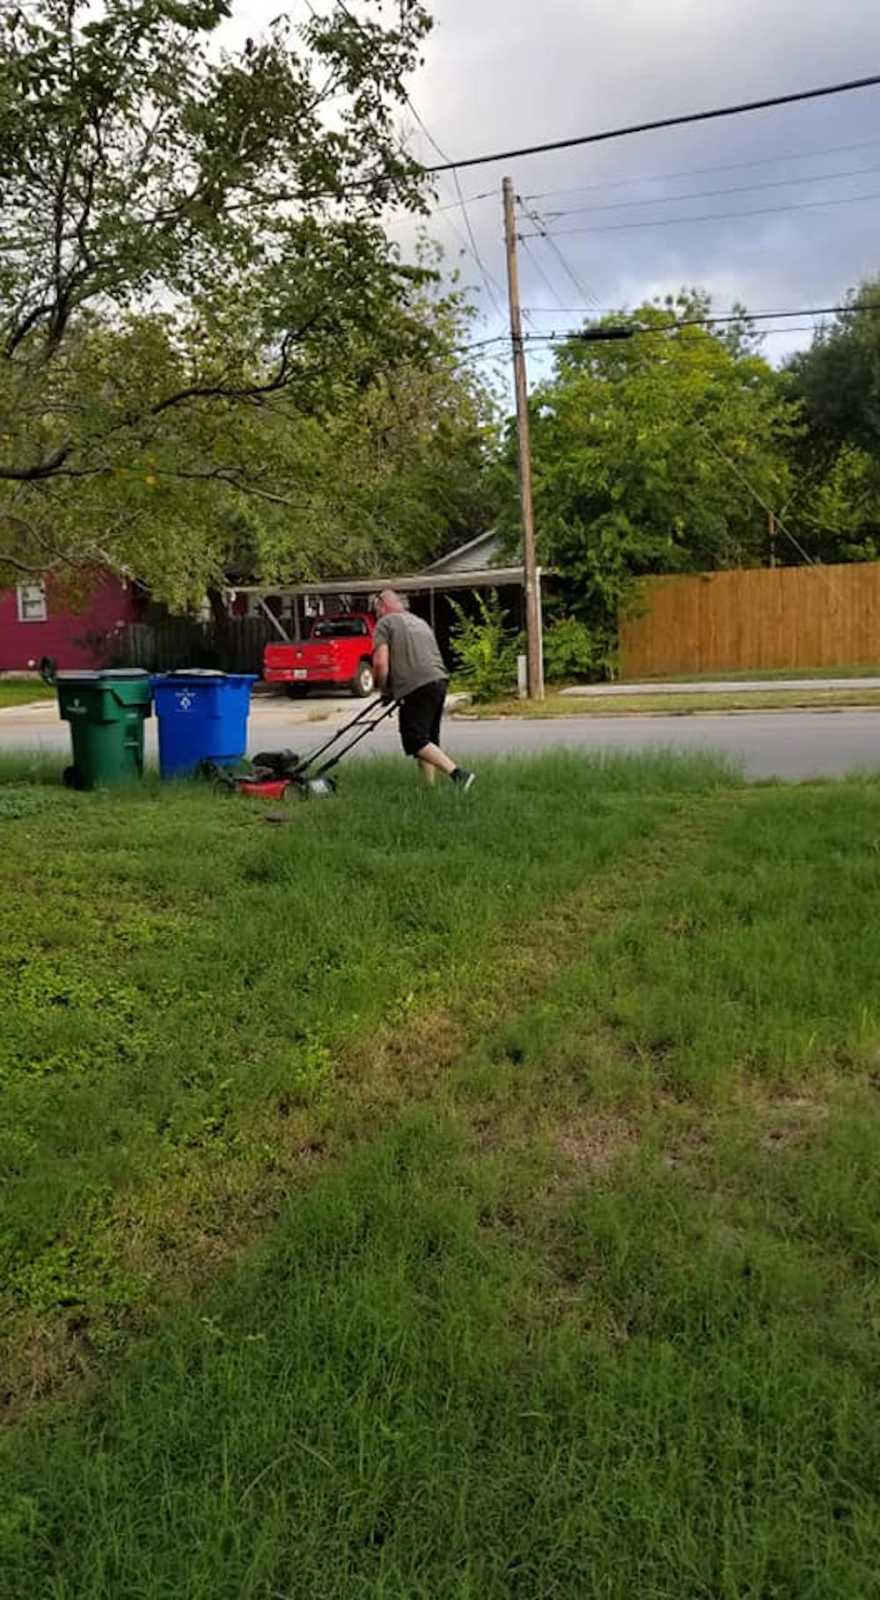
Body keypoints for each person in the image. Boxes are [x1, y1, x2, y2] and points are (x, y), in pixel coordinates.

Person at [371, 590, 475, 790]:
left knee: (414, 739)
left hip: (416, 687)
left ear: (383, 606)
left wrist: (383, 689)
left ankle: (459, 775)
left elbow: (380, 664)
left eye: (377, 610)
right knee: (427, 742)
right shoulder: (420, 622)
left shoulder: (385, 623)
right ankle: (427, 788)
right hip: (439, 681)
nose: (377, 615)